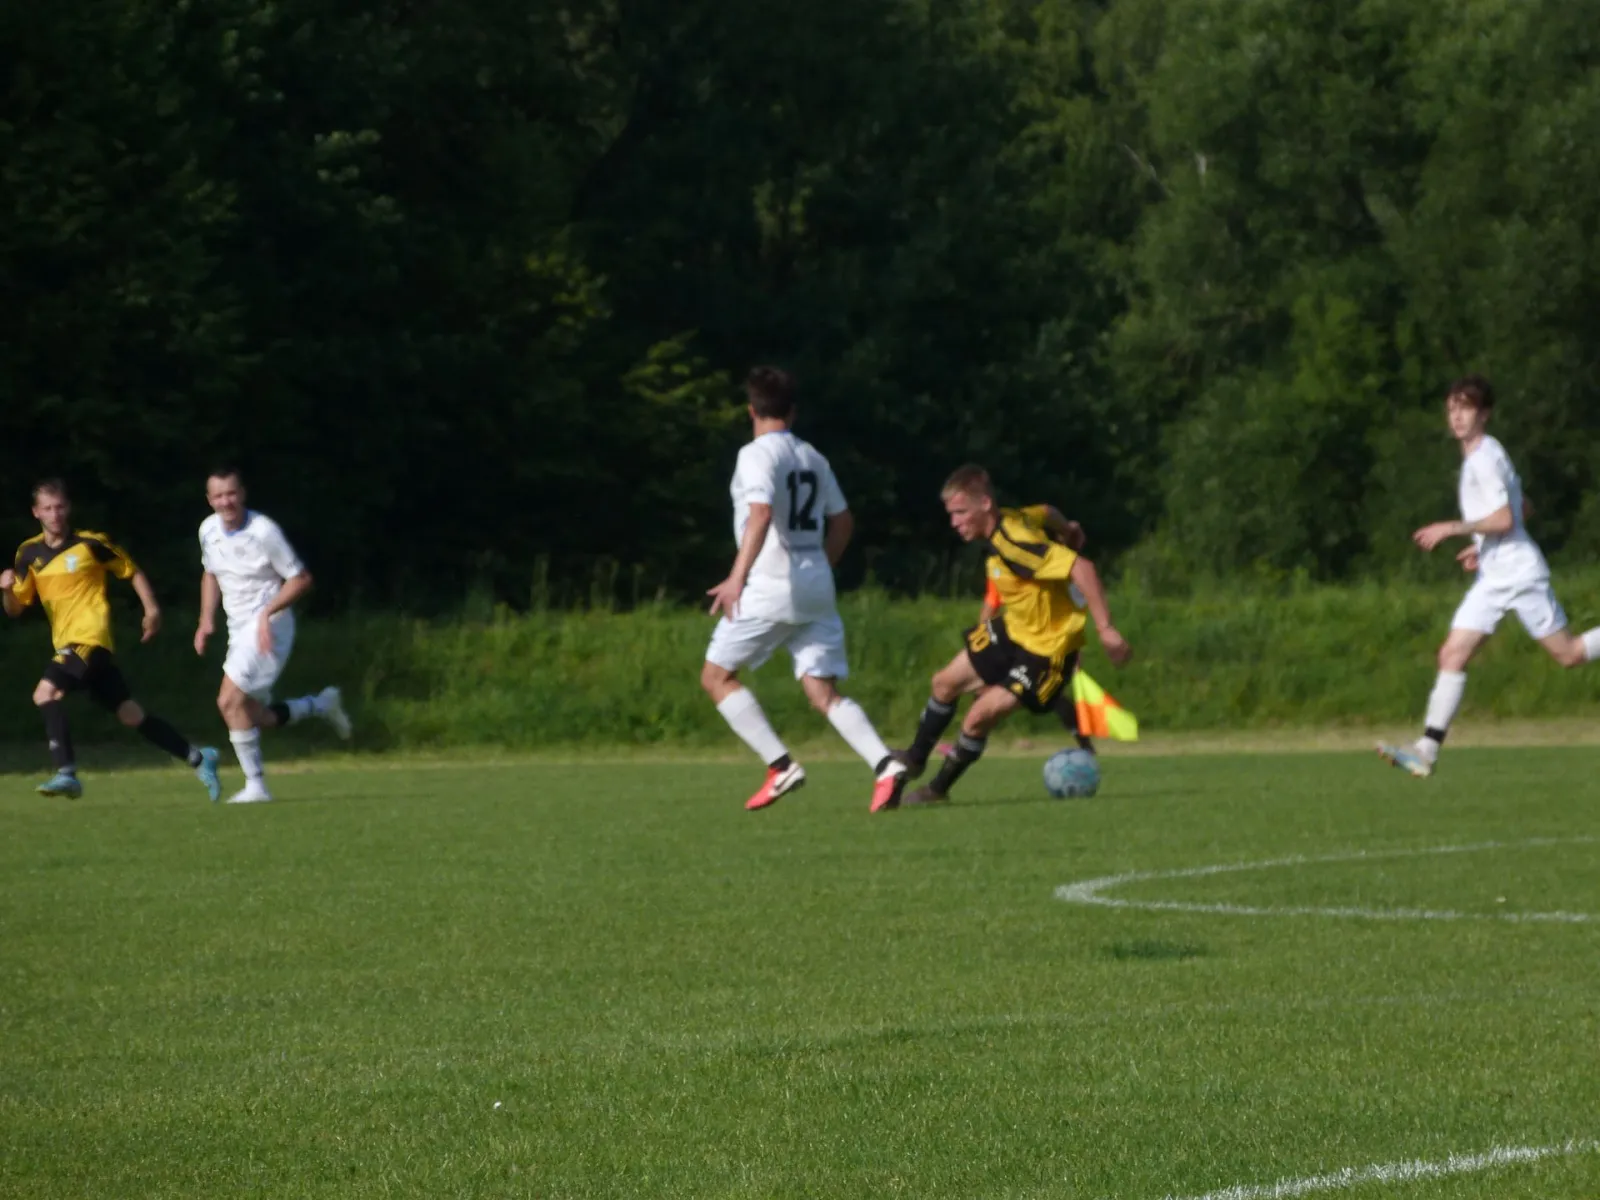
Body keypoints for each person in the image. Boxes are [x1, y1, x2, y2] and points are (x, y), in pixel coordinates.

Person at [701, 367, 909, 813]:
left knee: (716, 677)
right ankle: (885, 765)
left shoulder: (755, 454)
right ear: (792, 411)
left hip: (771, 585)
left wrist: (737, 577)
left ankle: (780, 766)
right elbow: (844, 522)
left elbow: (760, 514)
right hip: (816, 585)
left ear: (751, 410)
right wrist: (820, 567)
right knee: (823, 692)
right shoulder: (813, 456)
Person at [1378, 375, 1600, 778]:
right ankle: (1426, 750)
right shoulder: (1482, 455)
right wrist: (1482, 548)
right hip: (1494, 577)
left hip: (1520, 575)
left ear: (1485, 414)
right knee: (1452, 654)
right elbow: (1524, 506)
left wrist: (1452, 528)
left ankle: (1427, 749)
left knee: (1568, 655)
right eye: (1452, 408)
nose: (1457, 416)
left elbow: (1506, 518)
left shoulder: (1485, 457)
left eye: (1466, 408)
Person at [896, 465, 1132, 804]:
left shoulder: (1015, 542)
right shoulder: (1013, 518)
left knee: (978, 718)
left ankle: (936, 790)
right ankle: (915, 759)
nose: (954, 522)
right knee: (944, 683)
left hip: (1048, 650)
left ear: (985, 504)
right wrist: (1068, 529)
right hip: (1015, 629)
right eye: (951, 514)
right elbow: (1046, 511)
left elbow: (1082, 567)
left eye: (961, 512)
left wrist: (1106, 629)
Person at [0, 479, 221, 799]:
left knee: (45, 693)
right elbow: (16, 609)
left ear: (68, 508)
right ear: (36, 512)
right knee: (130, 714)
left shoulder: (91, 543)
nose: (55, 514)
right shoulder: (28, 553)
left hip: (90, 638)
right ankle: (199, 757)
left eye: (60, 507)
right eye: (47, 508)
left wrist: (152, 609)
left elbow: (131, 570)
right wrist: (7, 590)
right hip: (68, 643)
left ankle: (66, 773)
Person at [195, 469, 350, 804]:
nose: (226, 502)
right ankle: (321, 704)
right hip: (239, 630)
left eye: (231, 493)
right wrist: (205, 620)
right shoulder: (208, 529)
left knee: (228, 701)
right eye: (218, 496)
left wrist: (267, 613)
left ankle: (256, 786)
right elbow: (210, 573)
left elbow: (301, 578)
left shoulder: (263, 531)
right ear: (209, 500)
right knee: (252, 715)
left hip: (271, 626)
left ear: (242, 493)